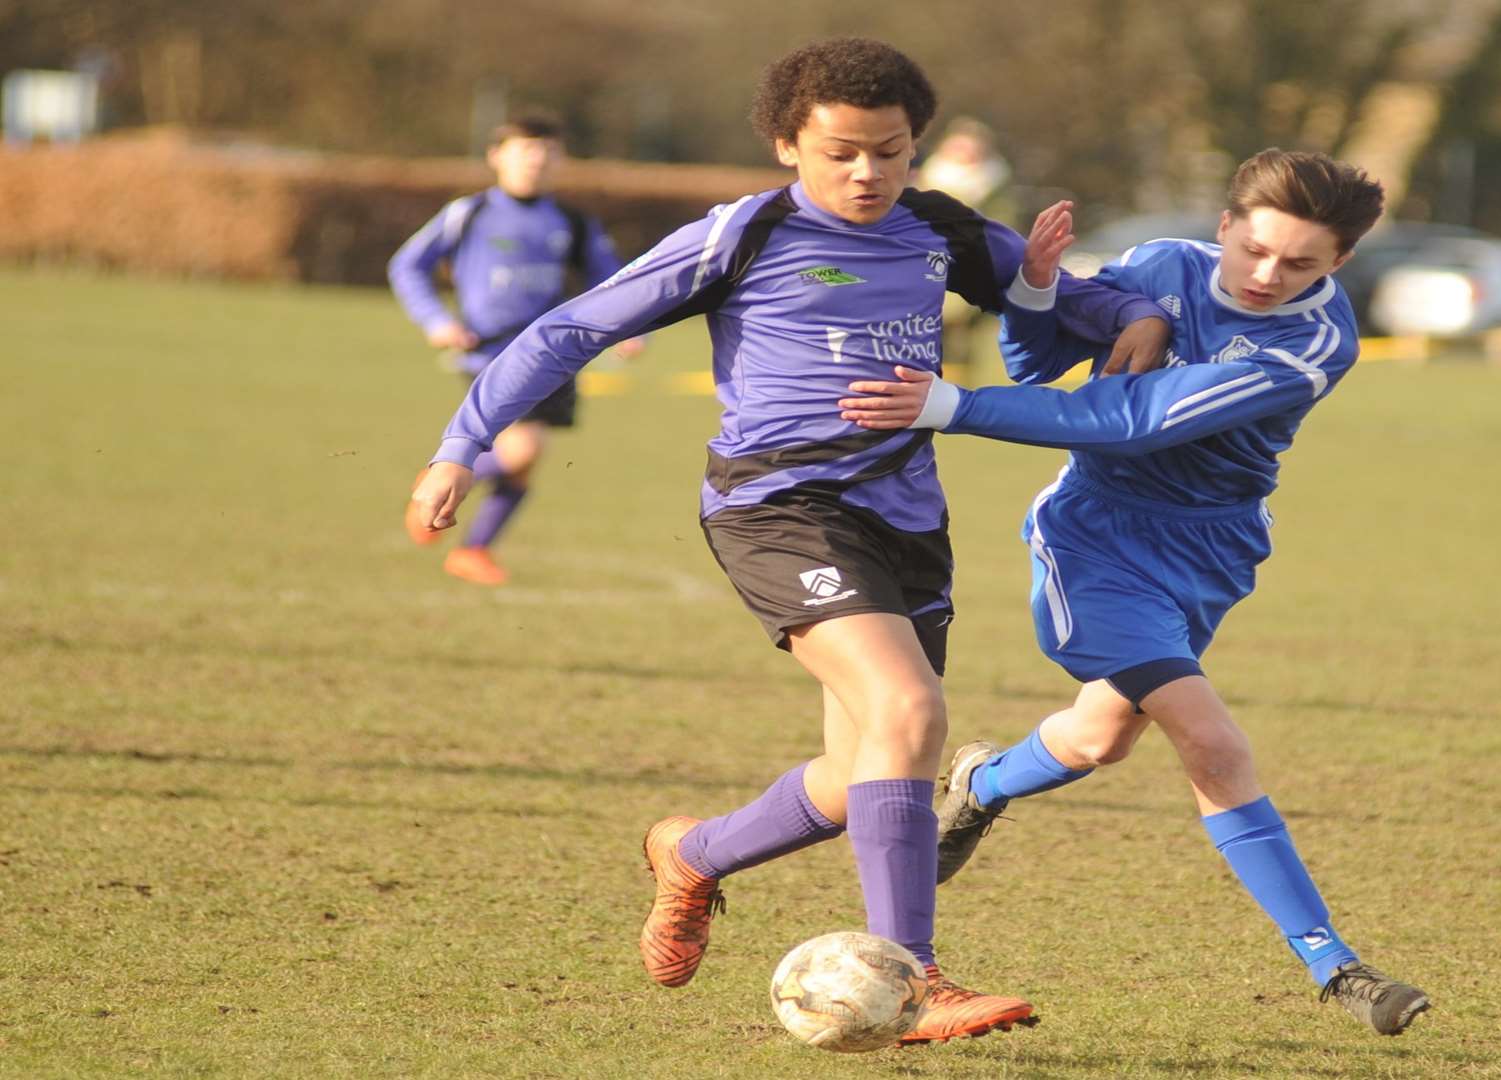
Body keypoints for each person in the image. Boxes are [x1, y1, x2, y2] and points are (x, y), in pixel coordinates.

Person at [406, 38, 1171, 1044]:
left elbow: (1067, 297)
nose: (867, 173)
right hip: (776, 509)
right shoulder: (742, 234)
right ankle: (916, 981)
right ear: (786, 145)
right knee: (909, 707)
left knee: (863, 773)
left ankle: (693, 854)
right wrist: (463, 443)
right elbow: (566, 332)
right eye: (842, 152)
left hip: (906, 523)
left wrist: (1142, 312)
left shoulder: (938, 228)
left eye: (890, 152)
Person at [837, 149, 1432, 1037]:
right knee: (1214, 743)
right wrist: (1038, 291)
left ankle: (983, 782)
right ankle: (1334, 965)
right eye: (1254, 249)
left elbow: (1135, 419)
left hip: (1213, 549)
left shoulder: (1313, 342)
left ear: (1338, 264)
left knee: (1100, 736)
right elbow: (1041, 364)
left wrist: (952, 406)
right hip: (1097, 540)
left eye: (1301, 263)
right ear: (1224, 226)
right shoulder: (1160, 265)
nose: (1269, 276)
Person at [388, 112, 643, 586]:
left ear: (560, 160)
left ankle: (473, 549)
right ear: (496, 157)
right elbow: (407, 266)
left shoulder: (571, 221)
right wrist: (436, 320)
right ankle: (439, 485)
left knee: (524, 463)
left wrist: (629, 325)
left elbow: (614, 280)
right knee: (524, 448)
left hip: (553, 352)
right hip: (488, 351)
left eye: (547, 152)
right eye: (526, 150)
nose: (536, 161)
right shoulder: (469, 213)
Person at [914, 118, 1018, 382]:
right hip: (930, 286)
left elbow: (1007, 238)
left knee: (982, 361)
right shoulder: (923, 189)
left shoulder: (1000, 192)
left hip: (987, 288)